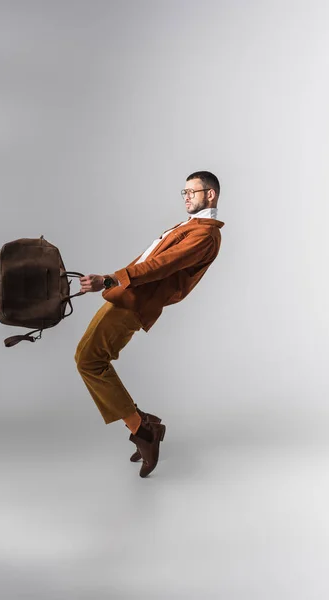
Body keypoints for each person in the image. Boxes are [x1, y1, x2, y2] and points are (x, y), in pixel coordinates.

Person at [74, 171, 225, 477]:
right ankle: (145, 424)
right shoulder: (191, 226)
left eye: (192, 192)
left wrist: (111, 278)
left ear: (210, 195)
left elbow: (162, 265)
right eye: (183, 192)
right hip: (126, 296)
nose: (186, 197)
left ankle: (143, 430)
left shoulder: (205, 234)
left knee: (89, 360)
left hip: (135, 302)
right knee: (87, 357)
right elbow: (149, 258)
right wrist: (113, 282)